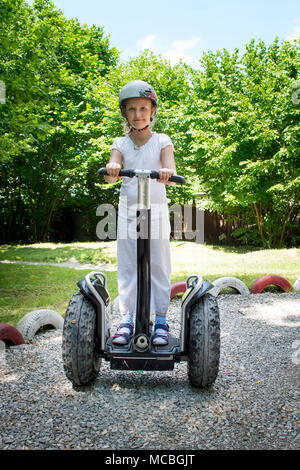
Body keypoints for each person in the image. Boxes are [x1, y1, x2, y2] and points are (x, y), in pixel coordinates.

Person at [104, 80, 176, 346]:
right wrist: (113, 166)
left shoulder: (162, 140)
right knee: (128, 264)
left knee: (158, 263)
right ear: (125, 113)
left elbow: (170, 171)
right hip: (128, 212)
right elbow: (112, 174)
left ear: (152, 110)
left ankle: (160, 321)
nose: (138, 114)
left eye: (143, 108)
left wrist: (167, 172)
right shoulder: (120, 143)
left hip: (155, 211)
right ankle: (126, 319)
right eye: (132, 109)